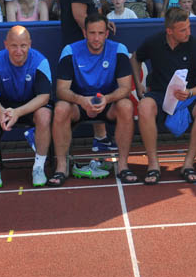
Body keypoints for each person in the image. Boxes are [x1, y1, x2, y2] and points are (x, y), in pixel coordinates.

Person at [50, 14, 136, 186]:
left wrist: (107, 98)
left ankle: (123, 165)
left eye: (100, 33)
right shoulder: (70, 51)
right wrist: (81, 100)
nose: (96, 38)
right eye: (92, 33)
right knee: (60, 108)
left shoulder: (118, 50)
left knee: (126, 106)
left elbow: (125, 88)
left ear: (106, 34)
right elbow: (61, 90)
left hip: (108, 102)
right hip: (79, 103)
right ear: (84, 33)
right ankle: (61, 167)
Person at [132, 7, 196, 185]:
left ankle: (188, 164)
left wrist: (190, 92)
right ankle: (153, 165)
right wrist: (138, 85)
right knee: (144, 106)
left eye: (189, 27)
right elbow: (135, 58)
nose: (188, 32)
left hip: (188, 96)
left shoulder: (195, 45)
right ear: (169, 31)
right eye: (183, 30)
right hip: (159, 95)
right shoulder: (154, 42)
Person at [0, 26, 52, 188]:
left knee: (45, 115)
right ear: (6, 44)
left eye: (23, 46)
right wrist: (1, 111)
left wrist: (18, 112)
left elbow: (44, 97)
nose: (19, 51)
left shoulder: (40, 61)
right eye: (14, 46)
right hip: (4, 109)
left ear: (30, 44)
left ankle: (39, 167)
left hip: (31, 107)